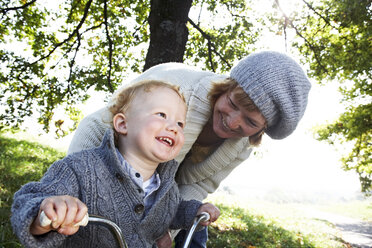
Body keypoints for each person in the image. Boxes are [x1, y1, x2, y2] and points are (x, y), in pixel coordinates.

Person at [67, 51, 312, 247]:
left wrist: (165, 230)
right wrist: (74, 188)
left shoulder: (240, 147)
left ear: (262, 130)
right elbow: (98, 126)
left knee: (194, 231)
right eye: (233, 103)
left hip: (165, 190)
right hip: (118, 161)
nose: (233, 122)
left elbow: (198, 185)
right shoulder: (178, 91)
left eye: (250, 122)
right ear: (226, 86)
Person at [10, 80, 220, 248]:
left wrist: (195, 210)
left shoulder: (166, 186)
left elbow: (171, 212)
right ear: (122, 124)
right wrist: (48, 212)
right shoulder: (81, 169)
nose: (173, 127)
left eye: (180, 123)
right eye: (161, 115)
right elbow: (28, 202)